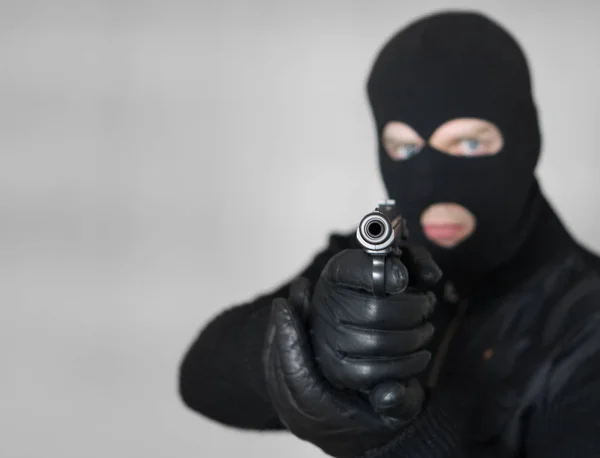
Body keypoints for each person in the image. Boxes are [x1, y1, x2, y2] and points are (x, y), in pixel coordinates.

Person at [179, 10, 600, 457]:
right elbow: (202, 382)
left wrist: (402, 441)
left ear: (525, 141)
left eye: (469, 144)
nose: (431, 180)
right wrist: (302, 341)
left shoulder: (588, 321)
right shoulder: (370, 266)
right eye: (406, 147)